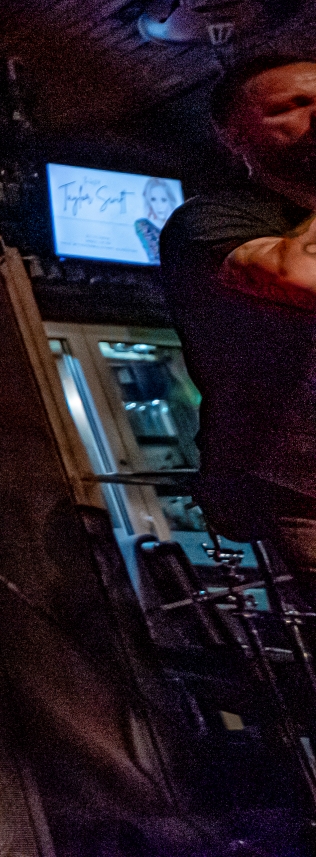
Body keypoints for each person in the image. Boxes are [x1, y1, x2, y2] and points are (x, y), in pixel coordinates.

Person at [160, 53, 316, 582]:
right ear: (233, 136)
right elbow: (299, 277)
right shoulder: (212, 219)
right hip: (299, 480)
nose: (314, 116)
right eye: (291, 106)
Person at [135, 176, 180, 265]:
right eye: (153, 199)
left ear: (170, 201)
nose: (159, 205)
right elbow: (156, 256)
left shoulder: (179, 228)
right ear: (148, 201)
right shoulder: (143, 225)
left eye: (163, 200)